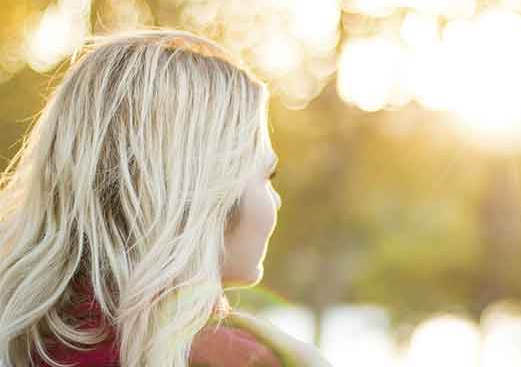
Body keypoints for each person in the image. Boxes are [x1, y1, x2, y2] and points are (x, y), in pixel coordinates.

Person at [0, 29, 332, 367]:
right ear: (204, 193)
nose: (275, 200)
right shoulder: (236, 358)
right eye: (267, 176)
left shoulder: (34, 339)